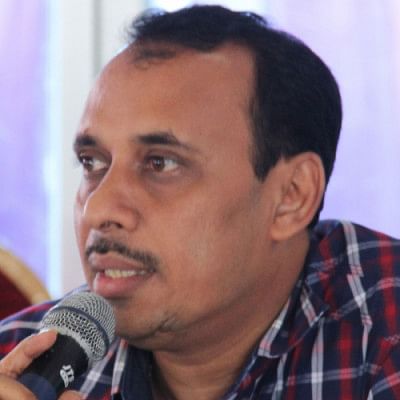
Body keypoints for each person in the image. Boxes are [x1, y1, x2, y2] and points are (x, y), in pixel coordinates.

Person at [0, 4, 399, 399]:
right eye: (92, 163)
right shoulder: (19, 368)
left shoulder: (384, 337)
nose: (98, 209)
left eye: (160, 163)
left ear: (291, 196)